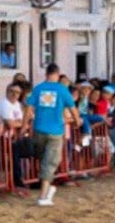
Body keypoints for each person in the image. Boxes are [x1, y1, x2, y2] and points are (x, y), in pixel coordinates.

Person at [28, 64, 78, 207]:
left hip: (39, 129)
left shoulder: (38, 88)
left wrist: (25, 125)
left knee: (43, 159)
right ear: (58, 74)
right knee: (50, 162)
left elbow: (29, 108)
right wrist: (77, 121)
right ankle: (43, 196)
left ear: (46, 73)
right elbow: (72, 107)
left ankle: (46, 188)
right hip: (55, 131)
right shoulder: (62, 89)